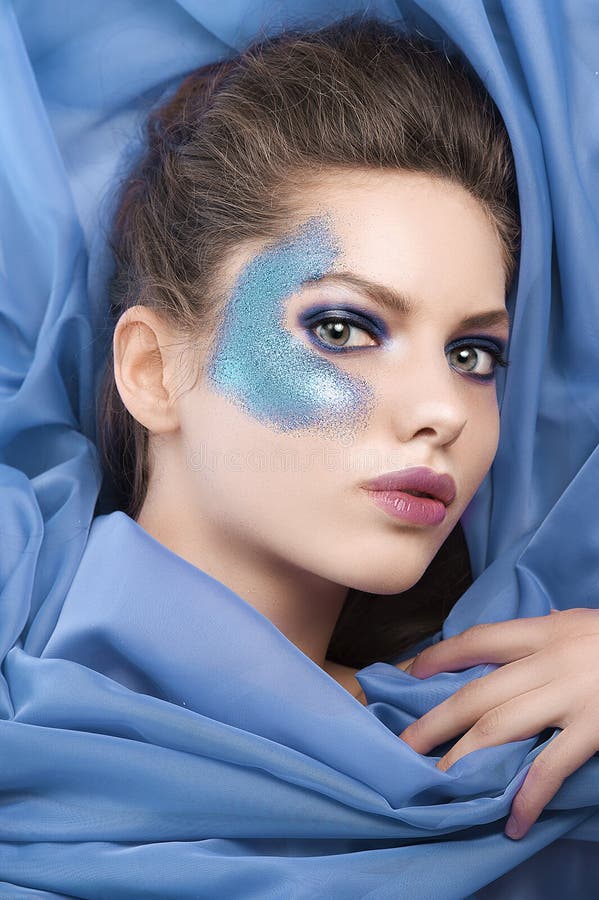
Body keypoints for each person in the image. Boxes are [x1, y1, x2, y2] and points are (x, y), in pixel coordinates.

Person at [2, 9, 599, 898]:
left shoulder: (508, 760)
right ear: (153, 369)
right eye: (343, 327)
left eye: (474, 356)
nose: (442, 410)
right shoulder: (20, 619)